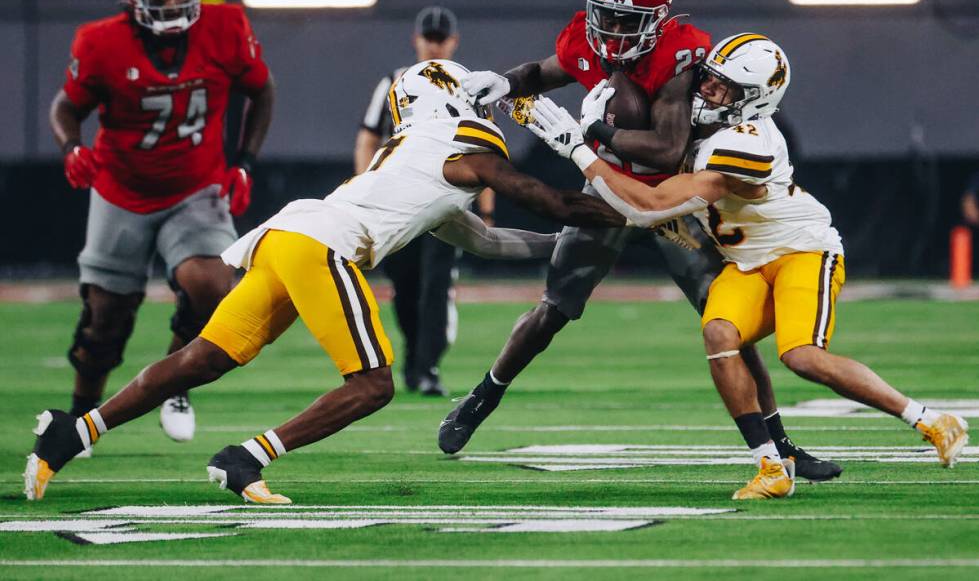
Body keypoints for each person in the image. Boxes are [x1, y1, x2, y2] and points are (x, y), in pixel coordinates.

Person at [25, 59, 625, 504]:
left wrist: (567, 244)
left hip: (289, 236)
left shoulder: (416, 155)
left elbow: (490, 240)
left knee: (203, 358)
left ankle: (69, 436)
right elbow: (543, 198)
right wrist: (628, 214)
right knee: (372, 385)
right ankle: (244, 459)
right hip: (323, 245)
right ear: (448, 97)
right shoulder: (460, 144)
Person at [440, 0, 839, 481]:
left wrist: (593, 134)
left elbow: (668, 148)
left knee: (726, 329)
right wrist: (508, 83)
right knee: (552, 308)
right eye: (606, 15)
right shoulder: (588, 36)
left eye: (627, 21)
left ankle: (779, 444)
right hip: (606, 189)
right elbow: (547, 71)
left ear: (658, 19)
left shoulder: (680, 55)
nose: (611, 31)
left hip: (674, 200)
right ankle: (482, 396)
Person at [525, 33, 970, 499]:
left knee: (801, 356)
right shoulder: (696, 126)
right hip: (746, 263)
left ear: (755, 99)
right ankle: (771, 467)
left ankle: (932, 420)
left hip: (801, 252)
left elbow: (650, 206)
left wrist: (581, 146)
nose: (710, 91)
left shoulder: (750, 142)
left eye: (726, 87)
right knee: (718, 334)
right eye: (710, 79)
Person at [49, 0, 274, 444]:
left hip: (196, 186)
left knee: (215, 287)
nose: (172, 5)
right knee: (105, 319)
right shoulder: (99, 42)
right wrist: (70, 147)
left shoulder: (226, 27)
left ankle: (176, 384)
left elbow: (262, 89)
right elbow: (66, 106)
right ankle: (81, 416)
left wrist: (244, 163)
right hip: (120, 189)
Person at [355, 6, 492, 396]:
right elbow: (368, 136)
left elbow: (485, 149)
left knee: (436, 285)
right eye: (429, 38)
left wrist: (485, 207)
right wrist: (368, 187)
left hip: (447, 200)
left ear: (453, 42)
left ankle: (427, 366)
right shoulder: (394, 82)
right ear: (417, 40)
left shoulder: (466, 84)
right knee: (405, 284)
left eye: (440, 38)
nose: (434, 44)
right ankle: (415, 356)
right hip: (397, 200)